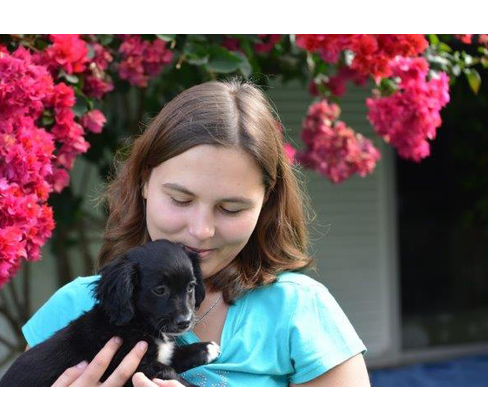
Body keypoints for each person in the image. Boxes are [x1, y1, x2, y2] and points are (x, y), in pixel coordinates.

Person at [20, 78, 370, 387]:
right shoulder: (73, 308)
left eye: (231, 209)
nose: (200, 231)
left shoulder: (299, 310)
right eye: (180, 199)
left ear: (266, 203)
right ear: (144, 182)